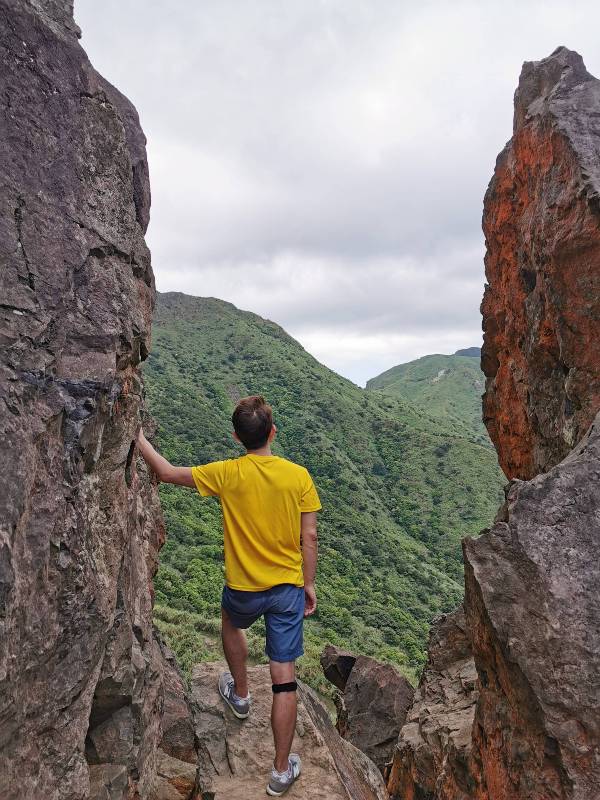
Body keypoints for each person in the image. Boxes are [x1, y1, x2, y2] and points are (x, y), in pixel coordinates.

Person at [136, 394, 321, 796]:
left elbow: (166, 473)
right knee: (284, 679)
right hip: (287, 587)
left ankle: (239, 694)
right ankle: (278, 771)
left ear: (237, 437)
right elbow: (309, 536)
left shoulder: (228, 473)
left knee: (230, 622)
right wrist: (309, 583)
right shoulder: (299, 476)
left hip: (242, 587)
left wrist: (134, 434)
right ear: (274, 432)